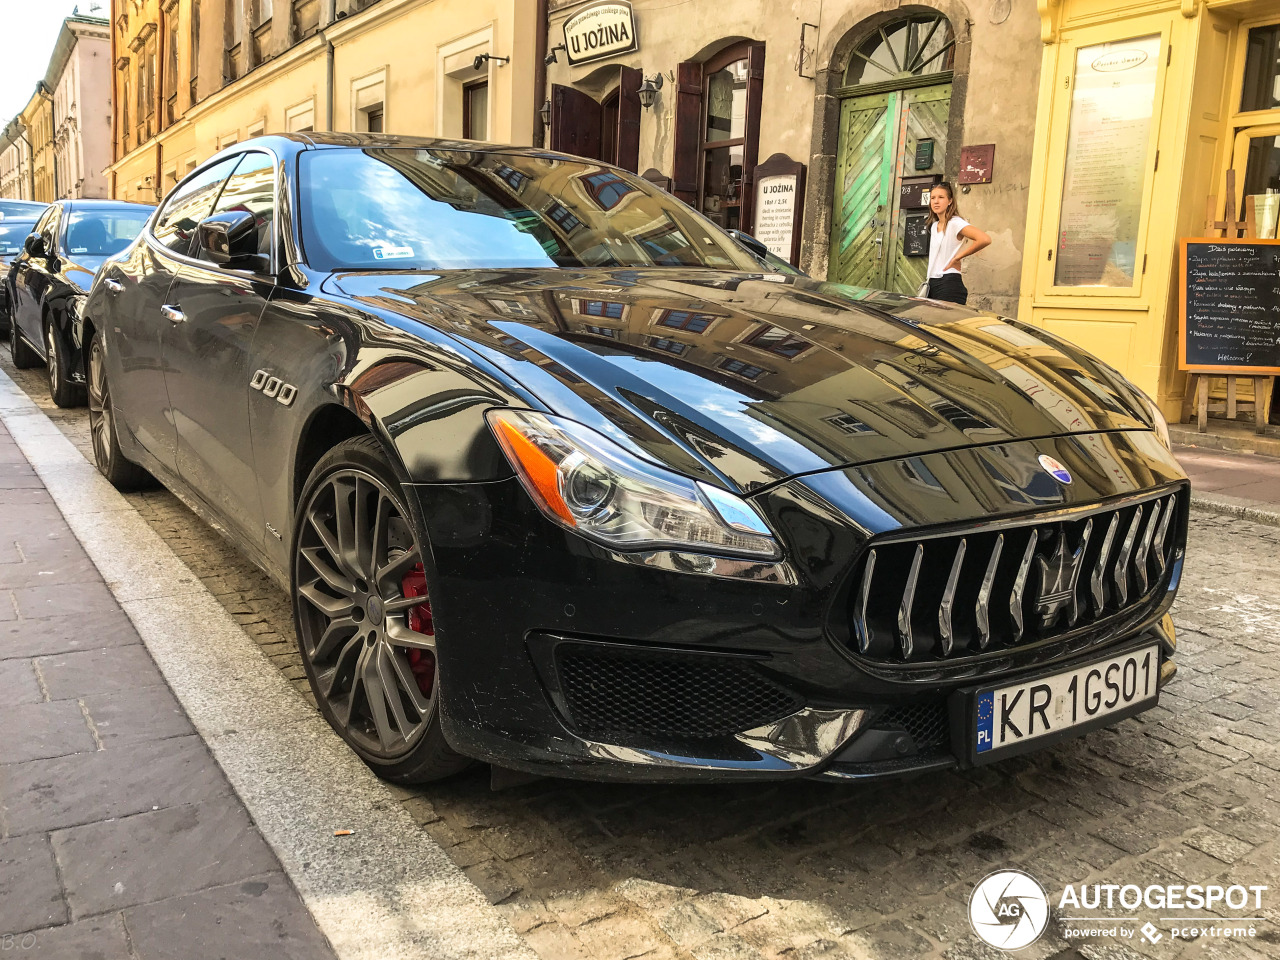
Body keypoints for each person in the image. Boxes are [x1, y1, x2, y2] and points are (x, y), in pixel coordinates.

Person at [925, 182, 990, 305]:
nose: (936, 201)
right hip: (932, 283)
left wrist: (958, 257)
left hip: (949, 283)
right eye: (933, 198)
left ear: (950, 201)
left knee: (946, 323)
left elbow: (984, 239)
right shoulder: (934, 226)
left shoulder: (955, 223)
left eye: (941, 197)